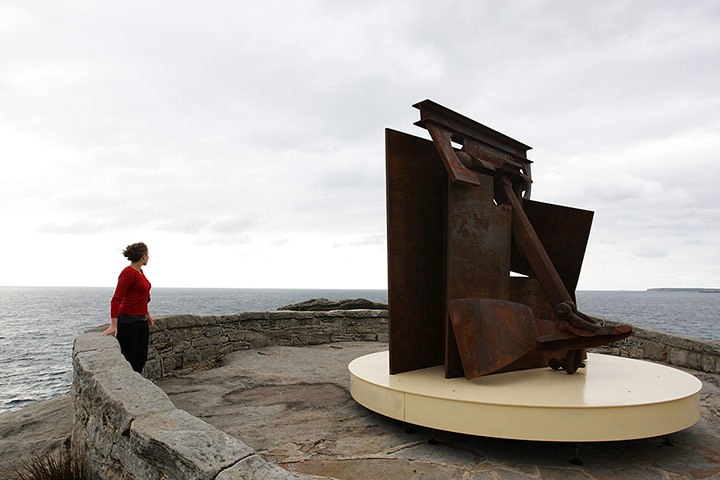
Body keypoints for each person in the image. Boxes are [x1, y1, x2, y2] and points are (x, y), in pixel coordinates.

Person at [102, 242, 154, 373]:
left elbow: (140, 296)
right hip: (128, 322)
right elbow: (116, 299)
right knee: (130, 359)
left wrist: (147, 314)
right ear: (143, 256)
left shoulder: (140, 272)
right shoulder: (128, 273)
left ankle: (136, 387)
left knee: (141, 358)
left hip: (141, 321)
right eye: (147, 255)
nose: (148, 257)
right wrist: (114, 324)